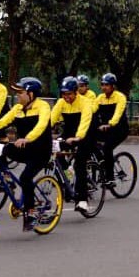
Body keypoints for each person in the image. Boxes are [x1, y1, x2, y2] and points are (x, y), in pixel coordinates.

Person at [0, 77, 52, 231]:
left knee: (25, 178)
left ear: (31, 94)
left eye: (20, 93)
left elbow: (42, 125)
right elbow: (1, 122)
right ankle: (7, 179)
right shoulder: (17, 109)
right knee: (0, 150)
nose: (17, 96)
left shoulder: (43, 107)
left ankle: (31, 212)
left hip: (41, 150)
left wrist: (27, 138)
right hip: (23, 147)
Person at [50, 76, 95, 212]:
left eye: (69, 93)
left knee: (80, 164)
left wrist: (78, 137)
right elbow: (50, 119)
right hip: (68, 134)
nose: (66, 96)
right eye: (64, 94)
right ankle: (68, 175)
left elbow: (85, 120)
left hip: (86, 134)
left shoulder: (85, 102)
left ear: (76, 92)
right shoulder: (60, 103)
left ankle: (82, 200)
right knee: (55, 154)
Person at [93, 73, 129, 186]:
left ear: (113, 86)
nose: (104, 87)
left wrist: (110, 124)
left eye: (107, 85)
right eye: (102, 84)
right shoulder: (100, 98)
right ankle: (102, 164)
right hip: (105, 130)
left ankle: (110, 178)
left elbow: (118, 114)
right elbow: (91, 111)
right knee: (90, 143)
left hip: (120, 129)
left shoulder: (120, 97)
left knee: (107, 147)